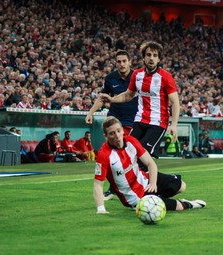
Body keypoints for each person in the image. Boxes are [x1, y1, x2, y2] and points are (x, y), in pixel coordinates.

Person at [93, 116, 206, 214]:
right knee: (178, 206)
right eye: (112, 133)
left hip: (145, 181)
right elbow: (98, 184)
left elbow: (150, 163)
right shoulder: (103, 155)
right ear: (106, 136)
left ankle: (158, 197)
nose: (117, 136)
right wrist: (101, 208)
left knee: (182, 186)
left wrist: (152, 183)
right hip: (135, 198)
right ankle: (189, 204)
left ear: (123, 130)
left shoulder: (131, 141)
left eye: (118, 131)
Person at [100, 41, 180, 161]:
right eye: (148, 55)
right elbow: (128, 95)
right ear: (143, 57)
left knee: (143, 156)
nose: (151, 58)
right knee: (128, 151)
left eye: (155, 55)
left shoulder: (165, 77)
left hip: (157, 123)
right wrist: (112, 99)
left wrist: (173, 125)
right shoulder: (137, 75)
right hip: (139, 121)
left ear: (159, 59)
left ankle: (157, 179)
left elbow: (175, 102)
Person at [85, 50, 137, 200]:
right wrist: (90, 113)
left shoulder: (137, 77)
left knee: (131, 157)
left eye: (124, 61)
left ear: (129, 62)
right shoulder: (110, 79)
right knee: (110, 157)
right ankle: (113, 188)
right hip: (114, 122)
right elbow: (102, 98)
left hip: (133, 122)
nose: (121, 64)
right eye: (119, 61)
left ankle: (134, 186)